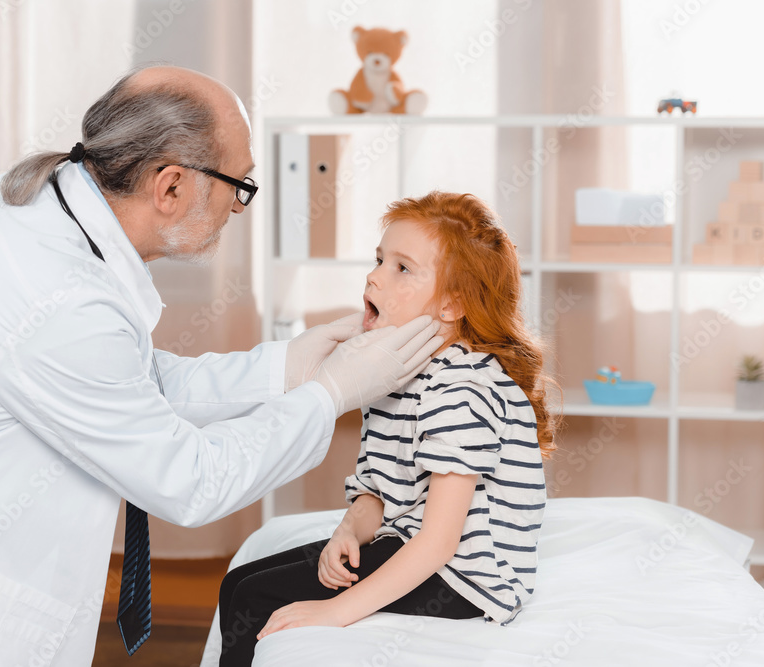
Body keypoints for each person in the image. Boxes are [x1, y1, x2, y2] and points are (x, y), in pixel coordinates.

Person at [0, 66, 445, 665]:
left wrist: (285, 369)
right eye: (240, 187)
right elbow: (189, 480)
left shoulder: (51, 208)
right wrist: (332, 395)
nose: (239, 210)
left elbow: (130, 383)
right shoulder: (53, 298)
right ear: (171, 186)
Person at [216, 191, 558, 666]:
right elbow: (383, 491)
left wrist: (336, 612)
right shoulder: (397, 371)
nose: (374, 276)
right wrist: (348, 532)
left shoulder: (461, 391)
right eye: (379, 260)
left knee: (255, 597)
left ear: (452, 305)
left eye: (402, 268)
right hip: (408, 543)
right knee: (237, 583)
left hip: (464, 580)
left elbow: (440, 541)